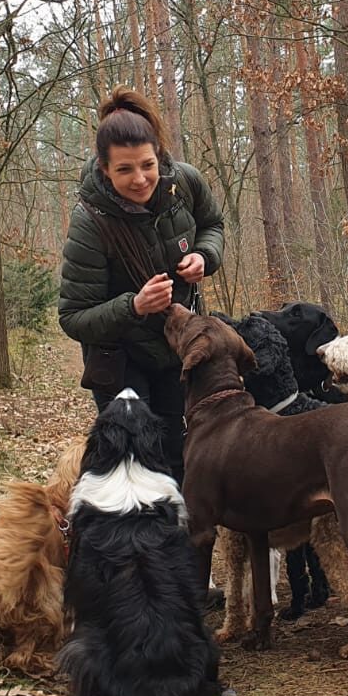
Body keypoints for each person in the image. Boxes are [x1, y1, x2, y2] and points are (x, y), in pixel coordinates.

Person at [58, 87, 224, 479]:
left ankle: (183, 538)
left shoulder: (184, 184)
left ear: (159, 154)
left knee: (182, 457)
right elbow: (73, 317)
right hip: (120, 361)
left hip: (177, 349)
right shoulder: (90, 223)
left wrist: (205, 256)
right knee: (135, 465)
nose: (139, 179)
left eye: (147, 165)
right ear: (104, 168)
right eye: (124, 170)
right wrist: (134, 306)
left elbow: (213, 225)